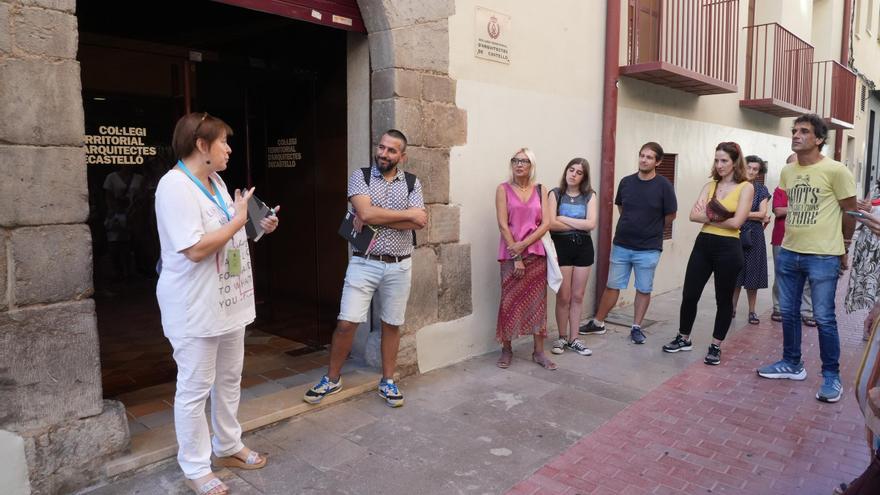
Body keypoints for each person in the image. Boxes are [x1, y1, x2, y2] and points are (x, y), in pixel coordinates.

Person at [155, 112, 280, 495]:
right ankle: (195, 466)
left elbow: (229, 230)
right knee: (195, 387)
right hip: (195, 307)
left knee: (228, 379)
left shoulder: (218, 181)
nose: (229, 149)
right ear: (201, 145)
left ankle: (228, 445)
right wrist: (240, 218)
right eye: (224, 142)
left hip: (228, 301)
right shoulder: (174, 187)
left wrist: (258, 226)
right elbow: (194, 249)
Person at [303, 129, 426, 408]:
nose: (383, 153)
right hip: (364, 262)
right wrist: (402, 214)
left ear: (402, 156)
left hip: (399, 264)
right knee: (346, 323)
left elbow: (419, 222)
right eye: (381, 147)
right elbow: (368, 212)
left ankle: (388, 380)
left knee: (392, 324)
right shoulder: (360, 176)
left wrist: (375, 216)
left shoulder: (411, 183)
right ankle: (332, 379)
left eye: (391, 150)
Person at [757, 113, 857, 404]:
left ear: (819, 139)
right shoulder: (788, 172)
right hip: (789, 251)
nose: (796, 135)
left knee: (824, 317)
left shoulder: (836, 170)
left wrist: (845, 245)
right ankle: (792, 363)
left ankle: (831, 376)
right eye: (794, 130)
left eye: (803, 131)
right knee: (788, 312)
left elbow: (849, 211)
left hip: (823, 254)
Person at [662, 142, 754, 365]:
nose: (719, 165)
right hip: (704, 244)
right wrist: (722, 216)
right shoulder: (710, 185)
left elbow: (737, 222)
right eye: (716, 160)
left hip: (729, 248)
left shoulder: (746, 187)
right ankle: (684, 338)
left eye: (724, 161)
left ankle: (715, 346)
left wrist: (711, 215)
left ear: (734, 163)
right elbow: (693, 215)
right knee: (690, 294)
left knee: (723, 299)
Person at [580, 142, 677, 344]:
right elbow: (622, 208)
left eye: (649, 157)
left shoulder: (664, 186)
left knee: (643, 288)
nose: (644, 159)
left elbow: (670, 215)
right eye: (642, 155)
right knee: (613, 285)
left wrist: (650, 228)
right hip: (622, 244)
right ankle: (598, 323)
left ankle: (636, 327)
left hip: (649, 248)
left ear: (658, 161)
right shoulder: (626, 182)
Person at [494, 148, 556, 370]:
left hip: (536, 254)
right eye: (515, 160)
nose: (519, 164)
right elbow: (503, 224)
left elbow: (546, 223)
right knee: (509, 302)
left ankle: (539, 351)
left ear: (532, 166)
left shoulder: (541, 190)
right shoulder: (503, 190)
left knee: (538, 304)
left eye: (524, 161)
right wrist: (517, 254)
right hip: (512, 254)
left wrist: (525, 244)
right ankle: (507, 349)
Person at [548, 158, 597, 356]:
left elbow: (591, 224)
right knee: (564, 296)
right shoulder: (555, 194)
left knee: (577, 296)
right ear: (566, 171)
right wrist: (578, 222)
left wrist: (564, 219)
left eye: (579, 172)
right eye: (571, 170)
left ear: (584, 177)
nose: (573, 174)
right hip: (561, 247)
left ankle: (574, 338)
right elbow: (551, 224)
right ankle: (561, 337)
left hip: (583, 247)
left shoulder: (590, 196)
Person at [770, 153, 815, 327]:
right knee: (781, 275)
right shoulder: (780, 189)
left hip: (808, 238)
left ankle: (807, 311)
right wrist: (805, 207)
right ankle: (779, 307)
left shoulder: (811, 187)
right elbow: (779, 211)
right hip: (781, 238)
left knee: (808, 276)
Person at [732, 155, 771, 325]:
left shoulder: (761, 189)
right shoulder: (734, 186)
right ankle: (731, 309)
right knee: (735, 273)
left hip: (755, 235)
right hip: (735, 231)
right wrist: (753, 215)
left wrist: (741, 214)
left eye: (755, 169)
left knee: (753, 274)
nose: (752, 171)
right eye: (749, 167)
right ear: (742, 167)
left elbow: (763, 213)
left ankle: (752, 311)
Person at [845, 188, 880, 341]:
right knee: (874, 290)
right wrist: (861, 209)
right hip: (870, 246)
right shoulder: (876, 189)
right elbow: (862, 212)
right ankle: (871, 321)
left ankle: (872, 322)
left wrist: (871, 211)